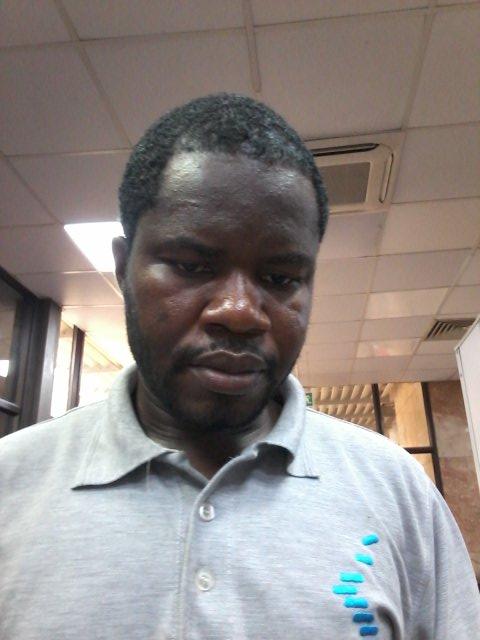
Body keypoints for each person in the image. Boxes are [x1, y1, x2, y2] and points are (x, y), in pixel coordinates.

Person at [0, 94, 478, 640]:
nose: (239, 312)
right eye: (191, 265)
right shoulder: (12, 485)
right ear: (123, 269)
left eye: (280, 278)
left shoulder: (395, 492)